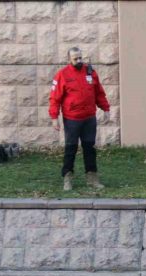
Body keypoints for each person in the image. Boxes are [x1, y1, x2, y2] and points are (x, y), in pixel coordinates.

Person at [49, 47, 110, 191]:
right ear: (69, 59)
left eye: (80, 57)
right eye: (75, 58)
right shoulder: (62, 75)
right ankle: (67, 178)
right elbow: (54, 98)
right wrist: (54, 117)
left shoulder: (90, 72)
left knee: (89, 148)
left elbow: (99, 93)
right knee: (71, 149)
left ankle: (92, 178)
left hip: (89, 119)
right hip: (72, 120)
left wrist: (105, 108)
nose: (79, 61)